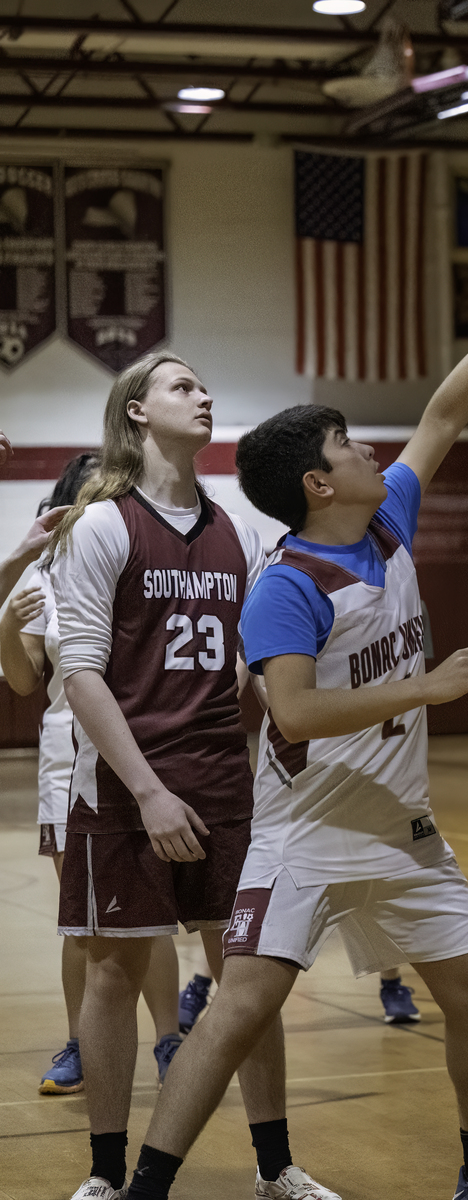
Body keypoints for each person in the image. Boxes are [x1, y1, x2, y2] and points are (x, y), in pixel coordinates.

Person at [118, 228, 468, 1200]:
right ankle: (148, 1187)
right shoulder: (290, 583)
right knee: (239, 1009)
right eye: (352, 446)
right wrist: (426, 687)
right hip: (307, 829)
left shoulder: (389, 516)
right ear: (321, 484)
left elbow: (448, 412)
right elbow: (292, 709)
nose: (377, 453)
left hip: (402, 830)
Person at [47, 354, 335, 1200]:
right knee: (112, 975)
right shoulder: (101, 526)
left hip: (225, 783)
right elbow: (80, 675)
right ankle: (105, 1174)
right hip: (127, 785)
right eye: (182, 386)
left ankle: (275, 1165)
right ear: (137, 412)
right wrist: (146, 789)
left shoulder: (241, 532)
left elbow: (253, 666)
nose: (204, 395)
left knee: (246, 974)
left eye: (207, 385)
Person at [0, 456, 184, 1096]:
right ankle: (80, 1042)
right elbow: (24, 680)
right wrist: (5, 618)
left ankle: (169, 1040)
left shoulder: (153, 566)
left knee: (149, 910)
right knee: (83, 919)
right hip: (68, 763)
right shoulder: (42, 577)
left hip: (146, 751)